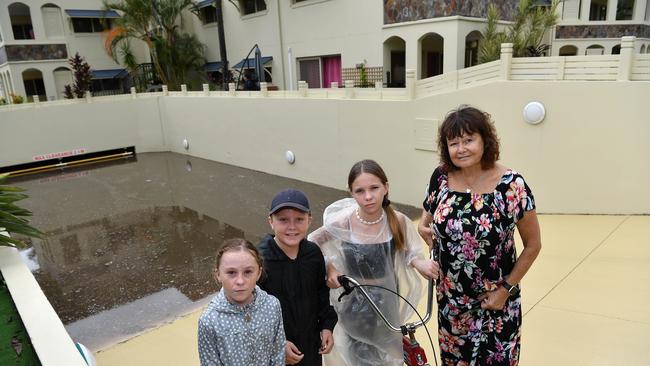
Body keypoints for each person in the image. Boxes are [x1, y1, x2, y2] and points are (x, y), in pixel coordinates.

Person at [417, 106, 542, 365]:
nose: (461, 148)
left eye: (468, 140)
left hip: (495, 304)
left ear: (485, 140)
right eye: (454, 143)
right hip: (452, 304)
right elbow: (427, 215)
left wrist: (505, 290)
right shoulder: (441, 177)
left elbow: (533, 245)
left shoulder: (511, 185)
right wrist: (423, 227)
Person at [308, 159, 437, 366]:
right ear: (351, 192)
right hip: (354, 302)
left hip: (387, 302)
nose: (368, 197)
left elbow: (411, 251)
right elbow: (313, 242)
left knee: (388, 355)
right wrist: (329, 266)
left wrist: (418, 263)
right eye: (360, 191)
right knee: (357, 354)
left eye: (374, 188)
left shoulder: (398, 220)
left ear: (386, 187)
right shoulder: (345, 220)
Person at [258, 189, 338, 366]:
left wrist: (326, 326)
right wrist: (276, 345)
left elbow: (321, 294)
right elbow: (251, 312)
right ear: (271, 221)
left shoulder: (313, 253)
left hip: (310, 344)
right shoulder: (259, 260)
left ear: (309, 220)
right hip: (275, 351)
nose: (292, 226)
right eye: (283, 220)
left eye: (299, 219)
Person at [198, 238, 286, 366]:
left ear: (259, 273)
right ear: (218, 274)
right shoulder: (209, 321)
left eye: (248, 272)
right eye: (231, 272)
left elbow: (278, 352)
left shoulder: (272, 305)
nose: (240, 281)